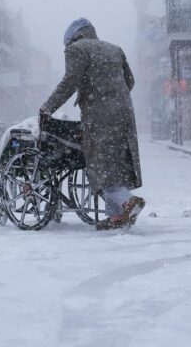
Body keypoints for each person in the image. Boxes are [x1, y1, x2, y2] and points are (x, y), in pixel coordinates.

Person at [40, 18, 145, 230]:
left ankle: (127, 201)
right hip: (124, 113)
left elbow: (70, 81)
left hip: (99, 115)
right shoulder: (114, 49)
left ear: (70, 39)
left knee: (100, 162)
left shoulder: (76, 49)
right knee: (117, 162)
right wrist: (115, 96)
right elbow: (129, 81)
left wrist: (48, 108)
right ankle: (115, 217)